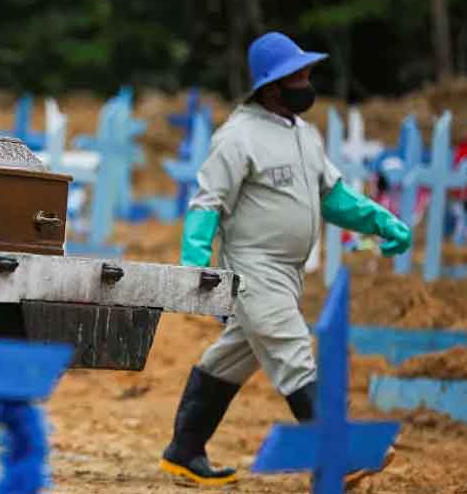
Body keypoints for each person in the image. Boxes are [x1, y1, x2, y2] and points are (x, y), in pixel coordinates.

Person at [159, 32, 412, 487]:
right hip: (252, 270)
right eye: (299, 75)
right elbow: (207, 202)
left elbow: (332, 197)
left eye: (308, 73)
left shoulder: (305, 136)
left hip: (288, 273)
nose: (307, 82)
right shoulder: (237, 136)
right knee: (294, 354)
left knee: (231, 358)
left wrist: (379, 220)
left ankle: (184, 449)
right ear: (271, 87)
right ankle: (340, 452)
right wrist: (196, 268)